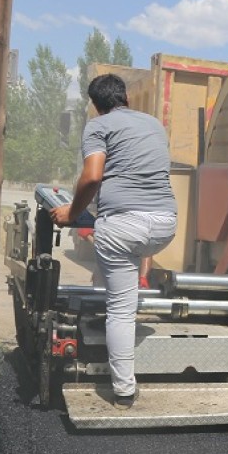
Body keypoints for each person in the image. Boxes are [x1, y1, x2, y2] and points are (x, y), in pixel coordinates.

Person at [50, 73, 176, 407]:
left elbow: (92, 176)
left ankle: (123, 392)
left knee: (120, 312)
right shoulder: (154, 124)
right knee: (130, 249)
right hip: (164, 225)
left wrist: (72, 212)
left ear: (95, 105)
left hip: (123, 227)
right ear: (126, 98)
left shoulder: (98, 126)